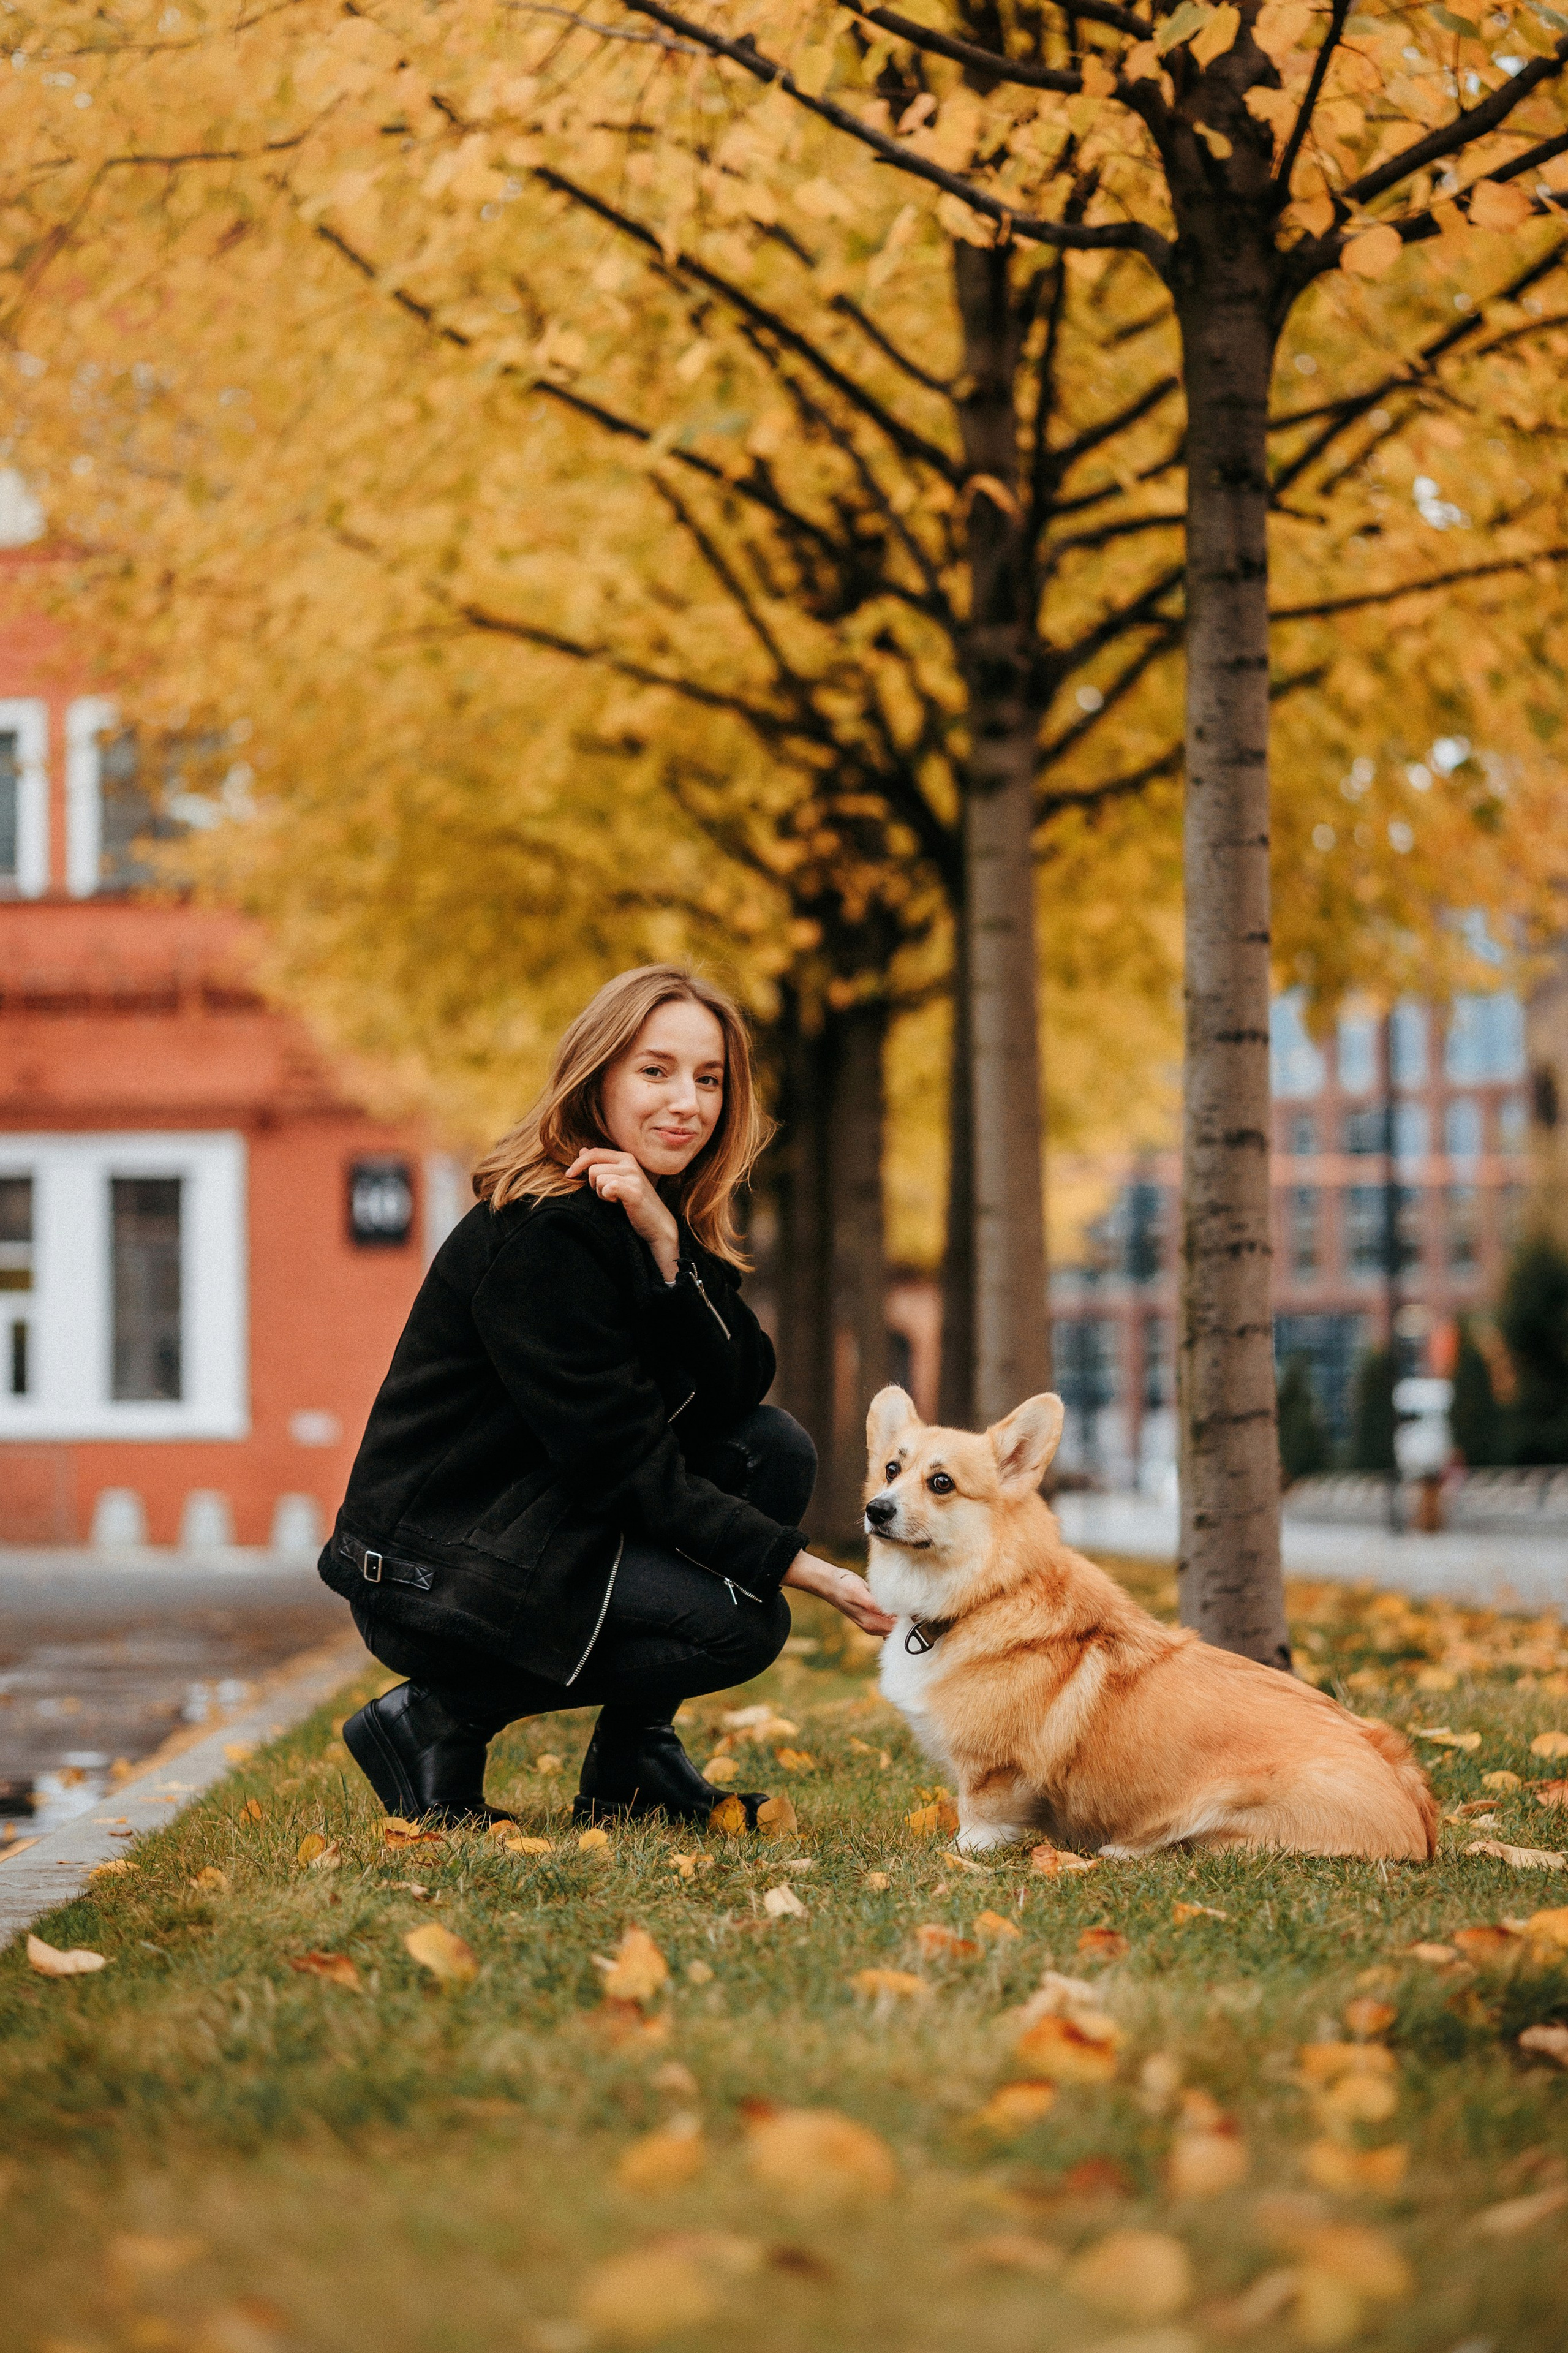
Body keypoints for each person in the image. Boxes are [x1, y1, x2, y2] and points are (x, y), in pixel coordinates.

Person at [321, 963, 895, 1828]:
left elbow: (739, 1384)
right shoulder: (545, 1234)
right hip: (437, 1566)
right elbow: (628, 1469)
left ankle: (633, 1764)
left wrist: (671, 1247)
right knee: (740, 1624)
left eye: (709, 1079)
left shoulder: (635, 1213)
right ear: (598, 1075)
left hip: (539, 1521)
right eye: (655, 1070)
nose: (688, 1103)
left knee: (772, 1446)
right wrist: (808, 1568)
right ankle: (434, 1718)